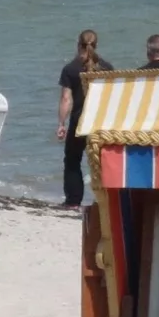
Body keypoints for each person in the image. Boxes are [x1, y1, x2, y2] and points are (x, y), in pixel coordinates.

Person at [57, 29, 112, 208]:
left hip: (80, 121)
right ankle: (106, 201)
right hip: (101, 123)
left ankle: (73, 201)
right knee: (103, 162)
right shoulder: (107, 67)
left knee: (73, 160)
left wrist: (61, 124)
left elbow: (66, 98)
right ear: (96, 45)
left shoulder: (70, 69)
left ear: (78, 44)